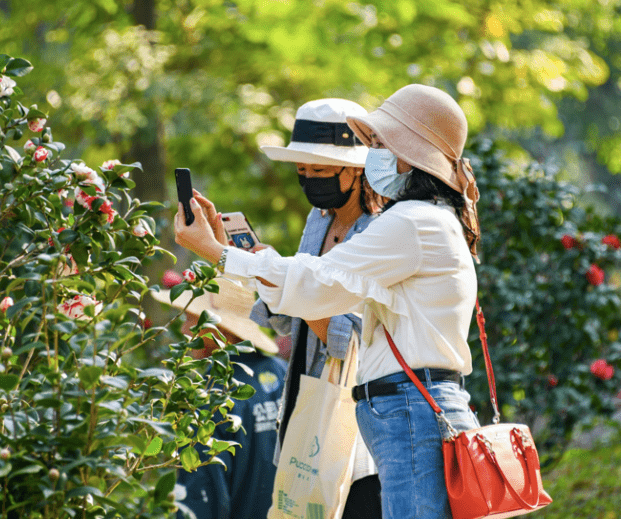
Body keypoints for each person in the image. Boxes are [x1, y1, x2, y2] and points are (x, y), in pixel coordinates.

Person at [173, 83, 482, 519]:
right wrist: (246, 262)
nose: (371, 152)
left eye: (378, 142)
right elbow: (306, 299)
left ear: (407, 152)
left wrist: (223, 254)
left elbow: (321, 289)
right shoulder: (415, 219)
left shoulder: (409, 222)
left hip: (404, 407)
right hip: (389, 405)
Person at [252, 98, 383, 518]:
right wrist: (262, 270)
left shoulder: (381, 232)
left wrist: (293, 285)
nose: (309, 181)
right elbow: (288, 320)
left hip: (357, 419)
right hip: (304, 400)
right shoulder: (318, 219)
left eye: (320, 171)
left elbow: (350, 340)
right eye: (302, 171)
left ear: (355, 169)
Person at [150, 274, 287, 519]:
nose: (184, 329)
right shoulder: (283, 373)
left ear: (219, 327)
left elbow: (202, 494)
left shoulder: (212, 392)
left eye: (191, 319)